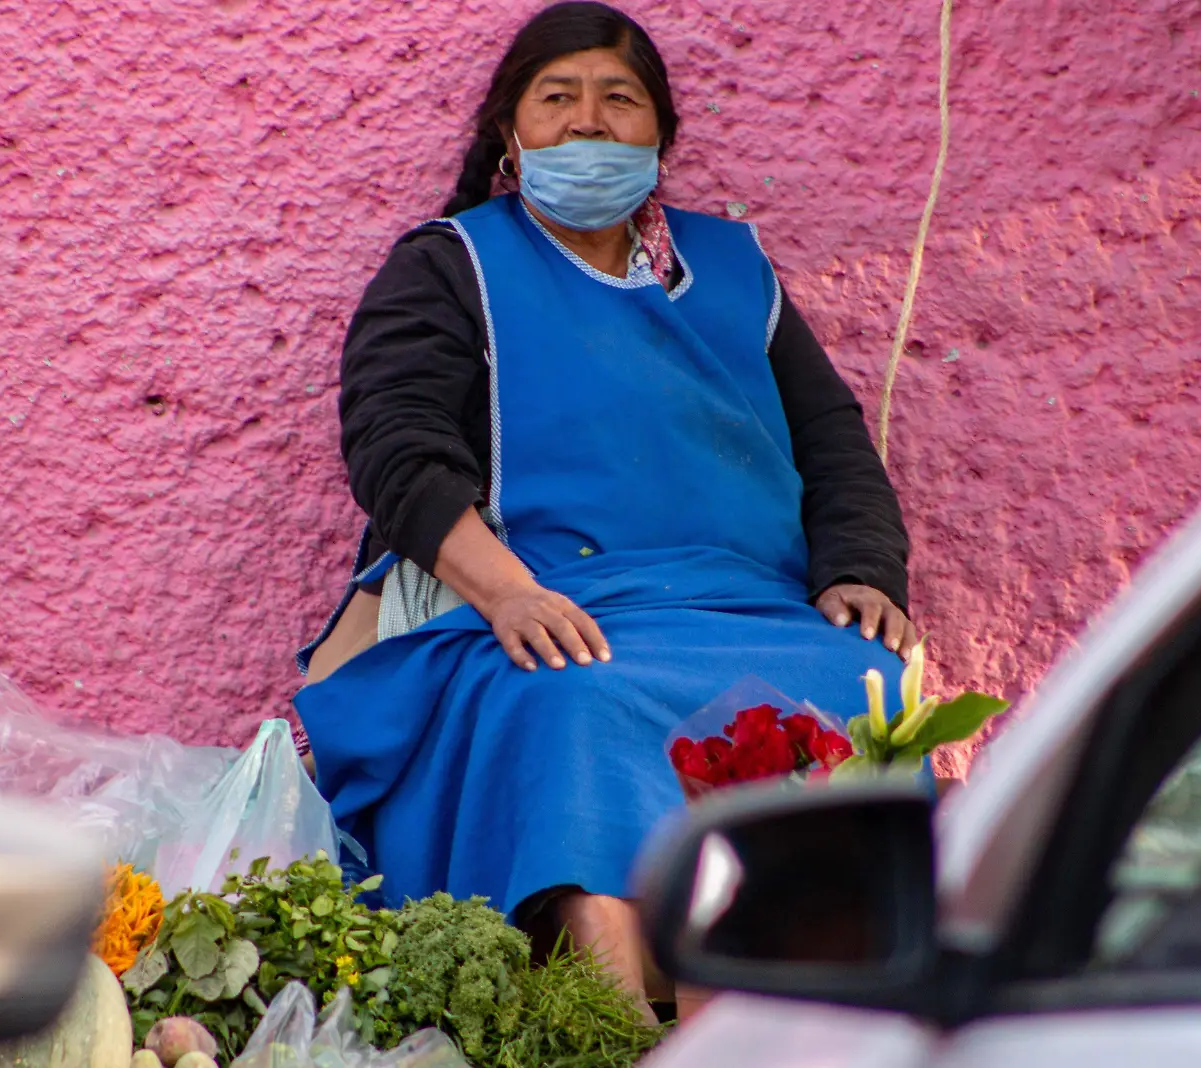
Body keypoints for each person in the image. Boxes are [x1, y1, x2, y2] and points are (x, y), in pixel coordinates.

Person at [296, 1, 920, 1019]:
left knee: (866, 688)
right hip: (552, 601)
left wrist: (861, 570)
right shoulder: (450, 267)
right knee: (577, 698)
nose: (588, 124)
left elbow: (829, 437)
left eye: (618, 101)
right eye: (557, 100)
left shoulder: (733, 271)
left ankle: (794, 1026)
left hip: (747, 606)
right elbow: (395, 445)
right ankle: (611, 1027)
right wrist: (504, 594)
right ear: (511, 131)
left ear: (661, 137)